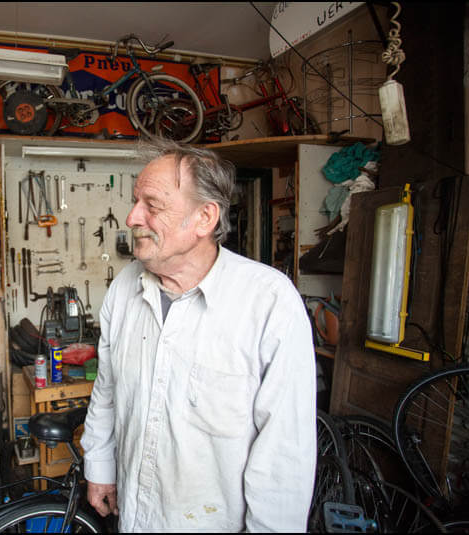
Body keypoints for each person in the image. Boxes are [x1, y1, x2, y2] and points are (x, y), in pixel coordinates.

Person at [80, 140, 316, 532]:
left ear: (205, 218)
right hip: (135, 519)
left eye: (152, 205)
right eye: (136, 201)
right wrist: (100, 466)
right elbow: (107, 390)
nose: (132, 216)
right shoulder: (124, 288)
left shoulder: (269, 303)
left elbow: (284, 456)